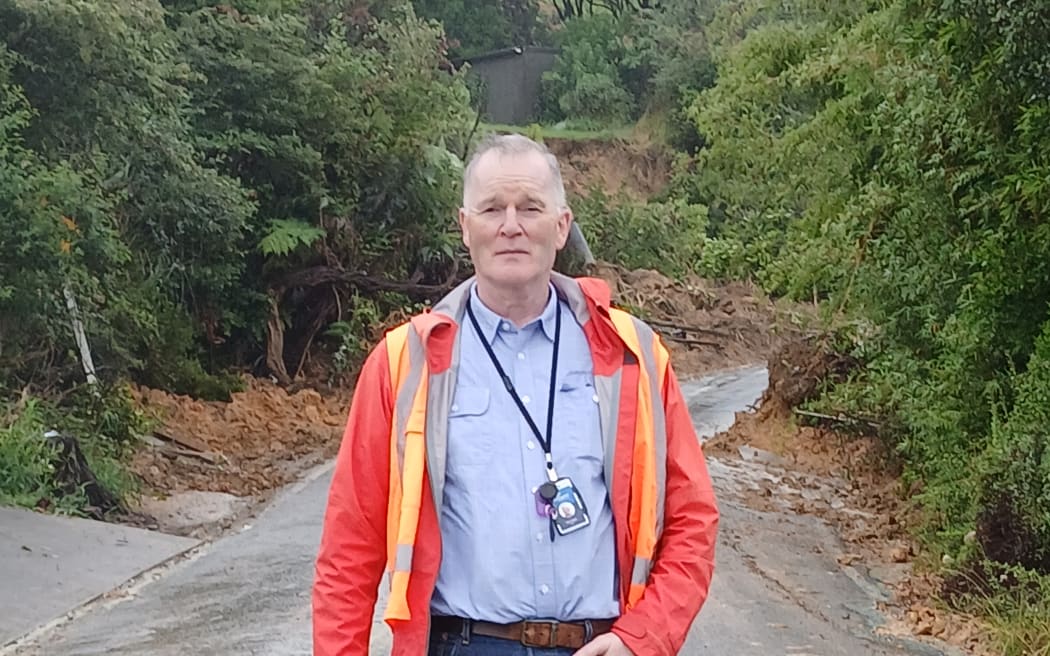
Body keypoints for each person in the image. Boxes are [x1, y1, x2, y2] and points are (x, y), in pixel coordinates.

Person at [313, 134, 719, 656]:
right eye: (491, 208)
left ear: (561, 226)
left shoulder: (633, 357)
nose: (511, 226)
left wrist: (645, 638)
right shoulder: (404, 365)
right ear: (465, 227)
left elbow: (692, 519)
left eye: (530, 207)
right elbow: (349, 550)